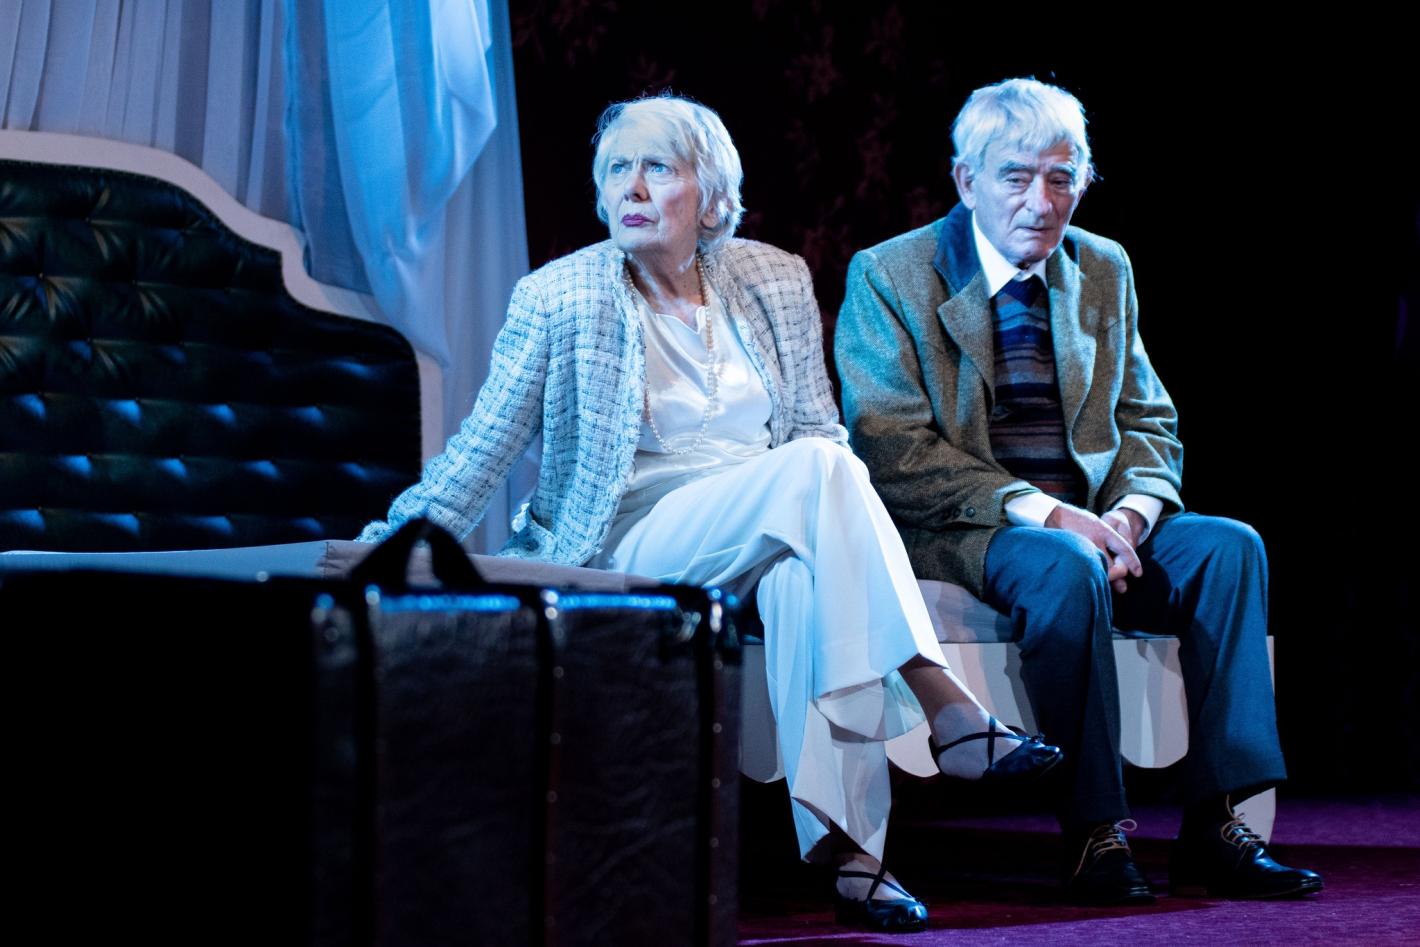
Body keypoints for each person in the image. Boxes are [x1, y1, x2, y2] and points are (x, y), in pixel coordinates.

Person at [358, 94, 1061, 933]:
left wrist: (803, 492)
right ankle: (945, 701)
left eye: (657, 167)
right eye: (617, 169)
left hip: (774, 519)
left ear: (711, 193)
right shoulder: (558, 295)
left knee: (808, 576)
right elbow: (480, 450)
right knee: (818, 471)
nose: (632, 187)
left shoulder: (772, 278)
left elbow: (815, 427)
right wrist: (377, 547)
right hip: (631, 535)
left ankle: (854, 856)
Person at [835, 77, 1322, 904]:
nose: (1042, 201)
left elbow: (1147, 419)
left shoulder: (1101, 266)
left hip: (1093, 519)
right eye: (1017, 177)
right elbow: (892, 447)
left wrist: (1130, 514)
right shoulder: (892, 273)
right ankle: (1095, 832)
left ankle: (1217, 822)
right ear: (966, 180)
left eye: (1062, 178)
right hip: (968, 524)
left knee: (1230, 547)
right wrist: (1057, 517)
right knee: (1064, 563)